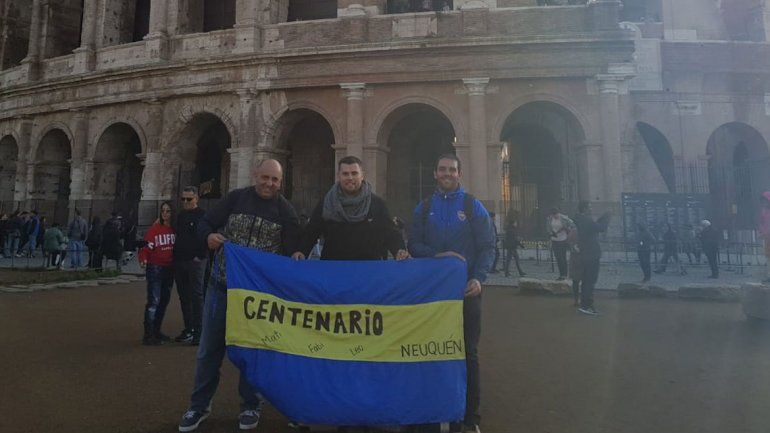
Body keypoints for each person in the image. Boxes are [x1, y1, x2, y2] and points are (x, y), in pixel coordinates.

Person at [178, 159, 299, 433]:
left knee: (252, 352)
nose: (269, 183)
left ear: (281, 182)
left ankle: (250, 405)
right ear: (256, 175)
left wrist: (298, 255)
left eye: (275, 180)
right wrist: (208, 236)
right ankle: (198, 406)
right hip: (221, 286)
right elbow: (204, 223)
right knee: (209, 350)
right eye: (265, 177)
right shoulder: (235, 198)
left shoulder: (286, 211)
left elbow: (293, 250)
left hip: (257, 297)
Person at [408, 153, 495, 433]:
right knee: (429, 349)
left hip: (466, 291)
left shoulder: (473, 206)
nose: (447, 174)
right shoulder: (423, 208)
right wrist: (437, 255)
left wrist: (480, 278)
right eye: (442, 169)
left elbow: (488, 246)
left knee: (468, 353)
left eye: (452, 170)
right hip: (433, 296)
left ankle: (470, 418)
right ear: (435, 173)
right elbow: (413, 245)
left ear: (459, 174)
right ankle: (432, 409)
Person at [293, 155, 408, 262]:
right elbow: (312, 230)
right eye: (345, 174)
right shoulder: (326, 203)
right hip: (333, 268)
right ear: (339, 175)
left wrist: (399, 250)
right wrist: (301, 251)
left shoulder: (377, 203)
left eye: (354, 173)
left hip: (368, 269)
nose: (350, 177)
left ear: (362, 175)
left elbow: (389, 232)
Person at [173, 186, 208, 345]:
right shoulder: (180, 216)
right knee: (184, 297)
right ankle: (189, 329)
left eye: (189, 199)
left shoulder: (203, 216)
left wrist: (199, 256)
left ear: (196, 199)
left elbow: (206, 237)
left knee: (197, 296)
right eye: (183, 199)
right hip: (180, 260)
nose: (185, 202)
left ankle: (199, 332)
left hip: (195, 261)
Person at [138, 202, 176, 345]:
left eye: (168, 211)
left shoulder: (174, 230)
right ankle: (148, 334)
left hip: (169, 268)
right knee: (154, 301)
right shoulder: (154, 230)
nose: (165, 213)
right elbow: (146, 247)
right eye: (163, 211)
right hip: (155, 268)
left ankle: (156, 330)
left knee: (163, 301)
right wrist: (143, 259)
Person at [573, 201, 610, 316]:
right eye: (589, 207)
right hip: (592, 254)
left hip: (585, 254)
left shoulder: (580, 219)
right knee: (590, 281)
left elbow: (594, 226)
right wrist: (607, 216)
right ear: (584, 209)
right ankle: (586, 305)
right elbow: (601, 228)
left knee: (586, 281)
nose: (591, 209)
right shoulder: (586, 220)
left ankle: (586, 304)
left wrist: (602, 218)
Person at [546, 207, 574, 280]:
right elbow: (548, 228)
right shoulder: (549, 219)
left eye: (556, 214)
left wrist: (566, 230)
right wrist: (551, 234)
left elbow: (572, 225)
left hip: (562, 240)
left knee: (562, 258)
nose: (555, 216)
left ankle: (564, 274)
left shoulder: (564, 218)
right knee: (558, 258)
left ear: (559, 213)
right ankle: (561, 274)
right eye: (554, 215)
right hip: (554, 239)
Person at [502, 211, 526, 277]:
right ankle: (519, 272)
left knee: (509, 260)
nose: (516, 223)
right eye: (515, 222)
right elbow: (515, 239)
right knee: (515, 260)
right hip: (512, 247)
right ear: (513, 223)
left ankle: (508, 272)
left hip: (510, 246)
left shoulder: (509, 229)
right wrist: (521, 245)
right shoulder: (512, 230)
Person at [759, 192, 770, 283]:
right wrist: (762, 231)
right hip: (767, 237)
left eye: (765, 200)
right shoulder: (764, 211)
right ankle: (769, 275)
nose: (764, 202)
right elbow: (762, 223)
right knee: (768, 257)